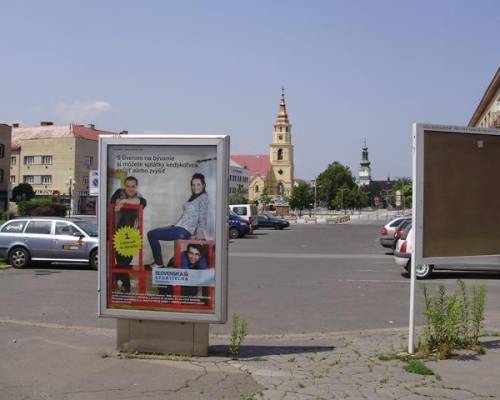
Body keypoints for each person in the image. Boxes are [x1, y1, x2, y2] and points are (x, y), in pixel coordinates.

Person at [147, 173, 209, 267]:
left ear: (203, 185)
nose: (195, 187)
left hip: (183, 230)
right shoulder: (194, 198)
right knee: (152, 234)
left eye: (198, 184)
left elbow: (202, 217)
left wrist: (197, 235)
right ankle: (158, 263)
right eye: (193, 185)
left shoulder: (203, 197)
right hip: (179, 228)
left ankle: (159, 263)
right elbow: (188, 215)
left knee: (151, 234)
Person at [110, 176, 147, 292]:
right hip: (117, 234)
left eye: (133, 186)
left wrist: (124, 201)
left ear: (136, 187)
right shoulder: (119, 193)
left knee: (125, 260)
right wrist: (120, 202)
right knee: (122, 260)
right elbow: (113, 202)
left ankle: (119, 280)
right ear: (124, 186)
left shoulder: (139, 196)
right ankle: (126, 286)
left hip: (131, 236)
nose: (130, 189)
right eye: (128, 186)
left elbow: (142, 202)